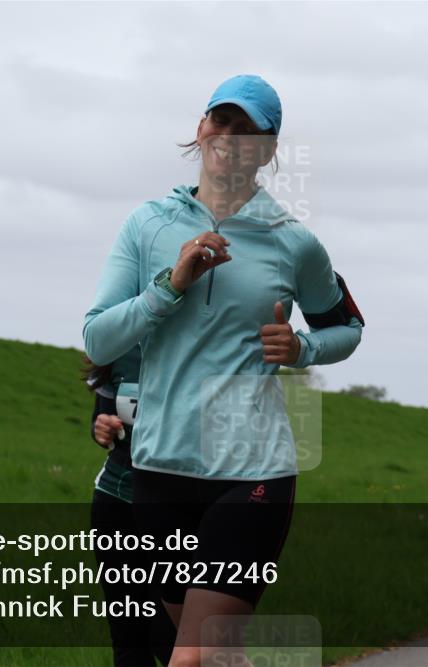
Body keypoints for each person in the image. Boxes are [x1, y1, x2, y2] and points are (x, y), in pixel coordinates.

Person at [83, 74, 364, 667]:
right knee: (205, 656)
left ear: (267, 150)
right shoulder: (148, 225)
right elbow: (98, 335)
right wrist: (171, 285)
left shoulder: (293, 242)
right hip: (159, 470)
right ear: (200, 127)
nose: (229, 138)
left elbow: (347, 329)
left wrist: (302, 349)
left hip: (253, 471)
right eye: (221, 121)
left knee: (193, 660)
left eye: (248, 130)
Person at [84, 347, 177, 666]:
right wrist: (103, 427)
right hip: (116, 501)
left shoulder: (201, 340)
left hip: (180, 507)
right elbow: (101, 419)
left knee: (172, 638)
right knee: (128, 636)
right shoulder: (121, 347)